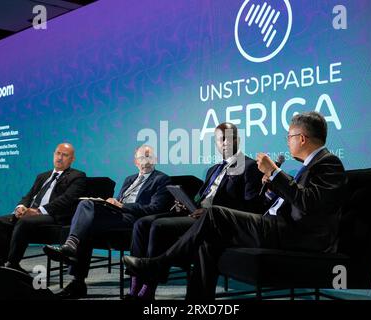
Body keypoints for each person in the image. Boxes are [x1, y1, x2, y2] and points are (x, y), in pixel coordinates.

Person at [123, 111, 348, 300]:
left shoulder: (328, 162)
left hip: (297, 235)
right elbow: (294, 200)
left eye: (289, 136)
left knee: (215, 216)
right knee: (208, 241)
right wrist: (271, 189)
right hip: (280, 225)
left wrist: (275, 172)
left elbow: (310, 203)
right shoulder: (309, 165)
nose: (287, 141)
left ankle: (157, 265)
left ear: (302, 138)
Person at [127, 122, 264, 300]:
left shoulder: (250, 166)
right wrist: (186, 203)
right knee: (143, 223)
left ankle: (147, 289)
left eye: (228, 138)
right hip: (196, 213)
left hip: (215, 220)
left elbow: (250, 207)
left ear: (238, 139)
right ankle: (136, 284)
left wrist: (211, 211)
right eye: (219, 139)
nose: (224, 143)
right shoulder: (213, 170)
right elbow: (200, 197)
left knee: (159, 227)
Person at [43, 145, 172, 298]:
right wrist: (113, 202)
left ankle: (71, 247)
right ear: (135, 161)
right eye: (142, 157)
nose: (146, 161)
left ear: (155, 159)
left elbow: (154, 208)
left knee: (86, 222)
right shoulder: (129, 179)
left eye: (149, 156)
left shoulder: (161, 179)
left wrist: (123, 206)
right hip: (117, 214)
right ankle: (78, 281)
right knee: (86, 208)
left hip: (135, 218)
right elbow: (120, 200)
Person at [0, 143, 86, 273]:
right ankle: (5, 263)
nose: (60, 158)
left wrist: (38, 211)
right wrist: (21, 207)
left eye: (65, 155)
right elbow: (29, 195)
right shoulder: (43, 176)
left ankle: (12, 263)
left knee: (24, 222)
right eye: (57, 153)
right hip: (30, 213)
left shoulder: (77, 176)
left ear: (72, 159)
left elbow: (66, 200)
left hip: (53, 216)